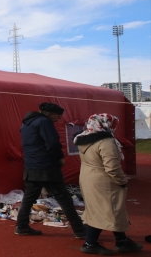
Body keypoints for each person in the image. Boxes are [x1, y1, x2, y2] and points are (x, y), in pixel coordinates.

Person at [74, 114, 143, 254]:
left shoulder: (83, 138)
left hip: (88, 177)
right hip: (103, 180)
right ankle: (90, 243)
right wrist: (122, 181)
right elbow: (112, 167)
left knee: (105, 210)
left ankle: (122, 240)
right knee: (107, 210)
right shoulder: (106, 142)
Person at [15, 102, 85, 238]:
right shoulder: (44, 123)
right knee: (64, 198)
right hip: (47, 166)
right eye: (58, 116)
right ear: (50, 114)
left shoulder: (26, 124)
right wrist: (59, 157)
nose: (58, 119)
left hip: (31, 166)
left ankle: (21, 226)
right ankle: (79, 230)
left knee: (28, 199)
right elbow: (52, 142)